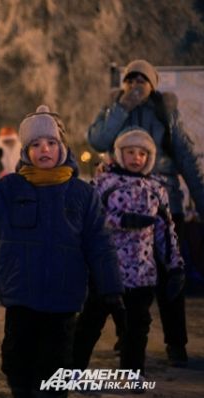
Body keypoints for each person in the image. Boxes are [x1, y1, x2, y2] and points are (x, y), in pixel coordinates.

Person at [0, 106, 123, 398]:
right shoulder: (12, 187)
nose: (43, 149)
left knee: (55, 365)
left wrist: (110, 287)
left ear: (62, 147)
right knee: (17, 361)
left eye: (50, 143)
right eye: (35, 144)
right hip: (21, 295)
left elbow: (100, 243)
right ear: (26, 151)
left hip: (63, 300)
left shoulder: (82, 194)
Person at [87, 59, 204, 367]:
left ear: (154, 84)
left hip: (162, 203)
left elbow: (187, 158)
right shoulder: (114, 108)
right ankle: (126, 339)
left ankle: (175, 342)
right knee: (120, 276)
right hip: (121, 207)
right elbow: (98, 140)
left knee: (169, 276)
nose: (137, 83)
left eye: (143, 79)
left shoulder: (165, 112)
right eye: (131, 78)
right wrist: (123, 106)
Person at [73, 127, 185, 380]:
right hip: (107, 270)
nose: (136, 158)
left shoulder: (156, 188)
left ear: (150, 157)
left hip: (142, 273)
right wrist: (120, 219)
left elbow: (166, 232)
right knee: (91, 322)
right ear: (119, 154)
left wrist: (175, 266)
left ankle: (132, 372)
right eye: (130, 152)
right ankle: (72, 369)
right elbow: (89, 220)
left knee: (137, 326)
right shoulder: (104, 184)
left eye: (142, 153)